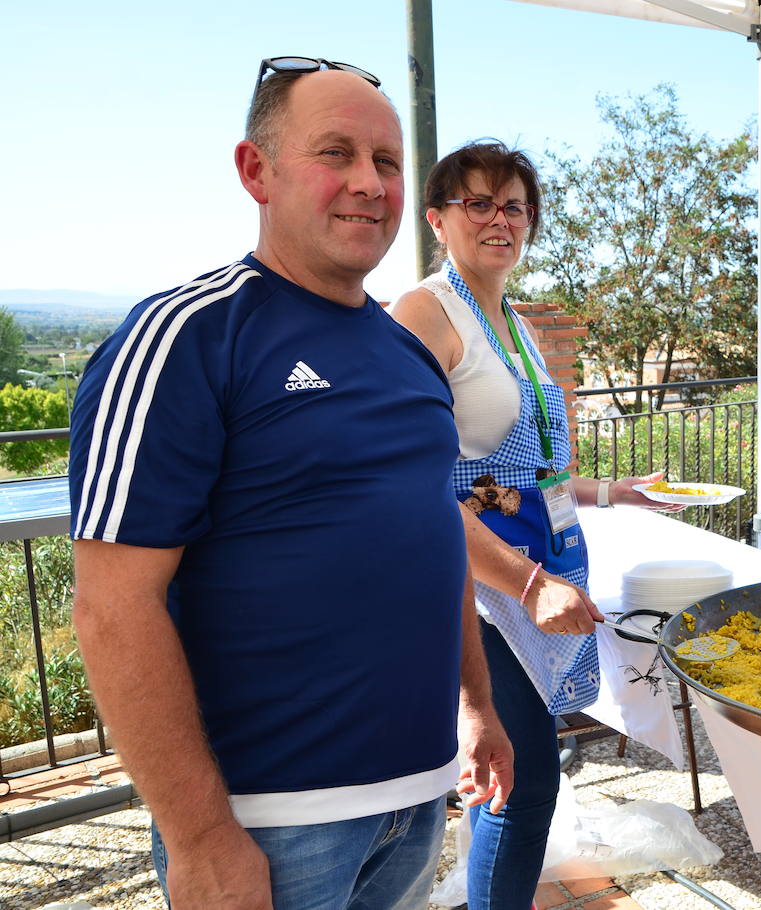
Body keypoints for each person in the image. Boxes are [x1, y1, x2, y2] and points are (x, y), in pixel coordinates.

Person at [67, 58, 512, 910]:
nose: (367, 183)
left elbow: (433, 536)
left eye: (385, 162)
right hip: (270, 826)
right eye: (335, 153)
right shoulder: (188, 336)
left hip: (417, 802)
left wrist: (477, 706)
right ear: (256, 171)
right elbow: (111, 607)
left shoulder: (408, 353)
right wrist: (200, 839)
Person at [388, 139, 679, 910]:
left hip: (532, 554)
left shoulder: (510, 317)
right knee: (522, 779)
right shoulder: (424, 312)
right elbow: (419, 484)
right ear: (438, 220)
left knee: (516, 774)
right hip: (478, 578)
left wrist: (611, 492)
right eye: (477, 203)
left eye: (514, 206)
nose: (500, 219)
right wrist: (526, 582)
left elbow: (520, 474)